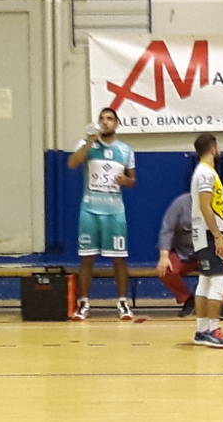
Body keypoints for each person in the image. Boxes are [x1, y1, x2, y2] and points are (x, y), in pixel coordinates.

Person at [67, 107, 136, 321]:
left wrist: (126, 181)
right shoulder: (86, 145)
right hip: (89, 210)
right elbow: (72, 163)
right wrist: (89, 140)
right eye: (102, 118)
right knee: (87, 258)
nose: (105, 122)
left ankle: (123, 302)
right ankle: (84, 303)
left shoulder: (125, 150)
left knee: (119, 259)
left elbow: (132, 179)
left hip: (114, 212)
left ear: (117, 123)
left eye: (110, 119)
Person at [156, 193, 223, 320]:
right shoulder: (180, 204)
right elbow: (167, 230)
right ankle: (188, 299)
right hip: (184, 253)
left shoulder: (220, 205)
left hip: (211, 252)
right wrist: (164, 256)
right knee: (166, 270)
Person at [189, 134, 223, 348]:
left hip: (203, 232)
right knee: (219, 279)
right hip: (208, 233)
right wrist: (218, 235)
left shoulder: (203, 172)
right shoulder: (206, 174)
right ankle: (213, 328)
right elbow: (206, 206)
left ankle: (201, 330)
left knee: (205, 280)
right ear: (213, 148)